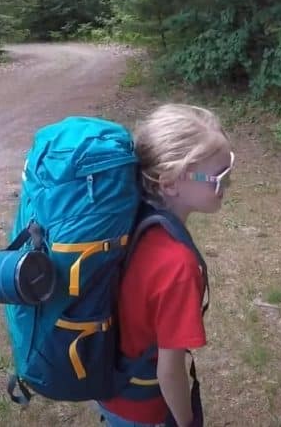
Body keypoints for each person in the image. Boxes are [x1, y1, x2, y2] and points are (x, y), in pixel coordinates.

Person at [98, 103, 234, 427]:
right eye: (219, 177)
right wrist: (186, 422)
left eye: (230, 170)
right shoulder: (179, 266)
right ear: (170, 182)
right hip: (145, 412)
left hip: (111, 388)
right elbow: (169, 370)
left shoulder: (133, 222)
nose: (227, 185)